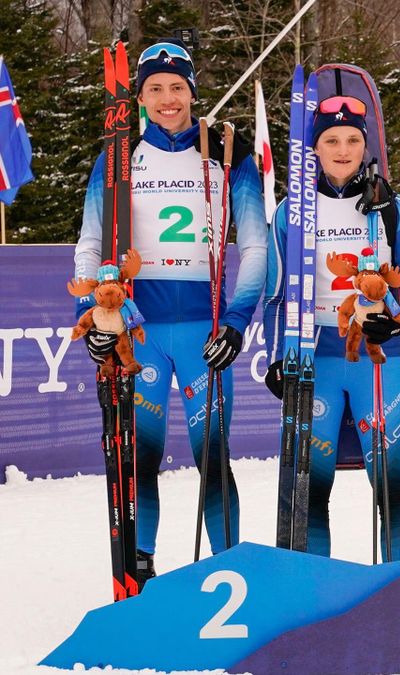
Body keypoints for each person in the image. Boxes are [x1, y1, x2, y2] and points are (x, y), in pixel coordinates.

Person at [73, 41, 267, 579]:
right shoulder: (118, 157)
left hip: (204, 332)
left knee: (213, 458)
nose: (166, 98)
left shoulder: (228, 154)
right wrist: (99, 314)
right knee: (141, 458)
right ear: (139, 98)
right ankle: (140, 568)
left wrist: (236, 319)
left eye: (176, 87)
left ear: (192, 92)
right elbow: (91, 244)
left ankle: (228, 571)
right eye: (154, 89)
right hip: (142, 334)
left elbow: (254, 245)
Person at [262, 91, 400, 560]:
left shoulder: (392, 209)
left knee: (391, 482)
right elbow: (277, 295)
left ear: (365, 145)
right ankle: (318, 594)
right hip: (315, 359)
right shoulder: (290, 211)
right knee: (312, 487)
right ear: (313, 149)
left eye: (352, 140)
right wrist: (279, 358)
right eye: (330, 140)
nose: (341, 150)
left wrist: (396, 325)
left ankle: (398, 589)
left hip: (378, 359)